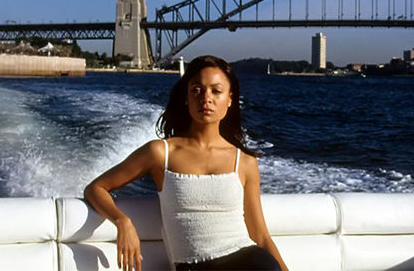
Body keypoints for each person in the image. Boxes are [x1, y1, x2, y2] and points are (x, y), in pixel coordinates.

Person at [85, 55, 288, 271]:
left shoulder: (245, 161)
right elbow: (96, 188)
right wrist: (122, 222)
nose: (206, 98)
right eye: (197, 90)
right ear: (186, 97)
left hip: (249, 260)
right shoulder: (161, 152)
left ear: (230, 99)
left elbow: (260, 236)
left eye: (216, 91)